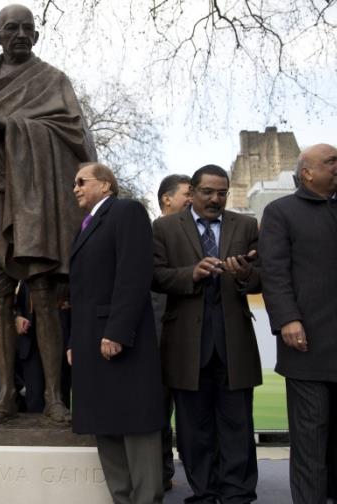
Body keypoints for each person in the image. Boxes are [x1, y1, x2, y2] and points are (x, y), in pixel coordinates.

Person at [0, 3, 97, 424]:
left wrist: (10, 128)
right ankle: (4, 395)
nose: (19, 34)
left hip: (33, 201)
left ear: (36, 36)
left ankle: (53, 395)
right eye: (10, 28)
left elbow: (75, 137)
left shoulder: (52, 80)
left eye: (27, 28)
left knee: (44, 295)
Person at [260, 144, 337, 503]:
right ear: (307, 172)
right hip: (307, 348)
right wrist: (288, 320)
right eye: (332, 162)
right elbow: (274, 273)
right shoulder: (280, 212)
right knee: (311, 439)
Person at [152, 164, 261, 503]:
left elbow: (262, 276)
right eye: (208, 192)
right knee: (193, 428)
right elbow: (155, 277)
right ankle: (204, 492)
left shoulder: (246, 225)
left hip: (234, 344)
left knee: (238, 425)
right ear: (194, 193)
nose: (216, 198)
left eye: (222, 193)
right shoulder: (165, 228)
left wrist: (245, 275)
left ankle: (239, 494)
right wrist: (191, 273)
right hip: (186, 346)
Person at [69, 162, 164, 504]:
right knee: (104, 422)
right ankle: (122, 498)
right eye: (74, 183)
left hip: (120, 340)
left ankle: (146, 498)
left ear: (106, 184)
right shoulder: (85, 225)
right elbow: (81, 293)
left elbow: (133, 275)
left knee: (135, 423)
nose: (76, 188)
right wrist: (72, 341)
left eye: (82, 181)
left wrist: (118, 332)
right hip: (90, 341)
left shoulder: (127, 212)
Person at [153, 173, 192, 491]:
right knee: (158, 410)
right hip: (158, 339)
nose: (192, 198)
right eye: (187, 193)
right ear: (166, 199)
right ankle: (162, 471)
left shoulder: (198, 236)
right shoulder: (150, 235)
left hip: (192, 338)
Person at [13, 280, 45, 413]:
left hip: (56, 344)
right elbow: (17, 306)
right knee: (34, 398)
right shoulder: (26, 280)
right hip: (30, 345)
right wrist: (18, 318)